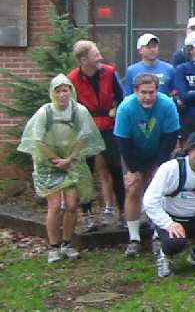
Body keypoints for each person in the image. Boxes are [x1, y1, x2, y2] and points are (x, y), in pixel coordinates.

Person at [19, 74, 104, 263]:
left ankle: (67, 243)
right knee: (55, 205)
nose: (62, 94)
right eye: (58, 91)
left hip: (71, 160)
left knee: (72, 205)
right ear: (52, 93)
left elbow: (85, 137)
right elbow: (37, 140)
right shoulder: (45, 112)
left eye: (65, 90)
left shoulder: (79, 111)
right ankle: (54, 247)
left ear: (71, 91)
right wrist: (55, 159)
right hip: (47, 162)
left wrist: (69, 158)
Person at [114, 73, 180, 257]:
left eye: (152, 92)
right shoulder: (126, 108)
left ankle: (158, 234)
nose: (148, 97)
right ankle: (134, 238)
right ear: (135, 91)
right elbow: (123, 141)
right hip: (133, 151)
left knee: (160, 190)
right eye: (143, 92)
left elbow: (170, 138)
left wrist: (159, 167)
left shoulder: (167, 105)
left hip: (159, 150)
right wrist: (134, 170)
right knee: (134, 188)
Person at [143, 132, 195, 277]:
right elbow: (149, 200)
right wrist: (168, 224)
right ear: (188, 150)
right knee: (176, 243)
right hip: (171, 218)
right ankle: (163, 255)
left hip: (194, 217)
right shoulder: (170, 168)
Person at [68, 40, 125, 231]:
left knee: (116, 169)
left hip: (109, 126)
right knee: (86, 173)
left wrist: (117, 111)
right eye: (96, 54)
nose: (100, 57)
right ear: (84, 59)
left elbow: (120, 97)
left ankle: (123, 213)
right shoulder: (73, 78)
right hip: (86, 129)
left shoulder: (108, 72)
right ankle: (88, 215)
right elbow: (70, 106)